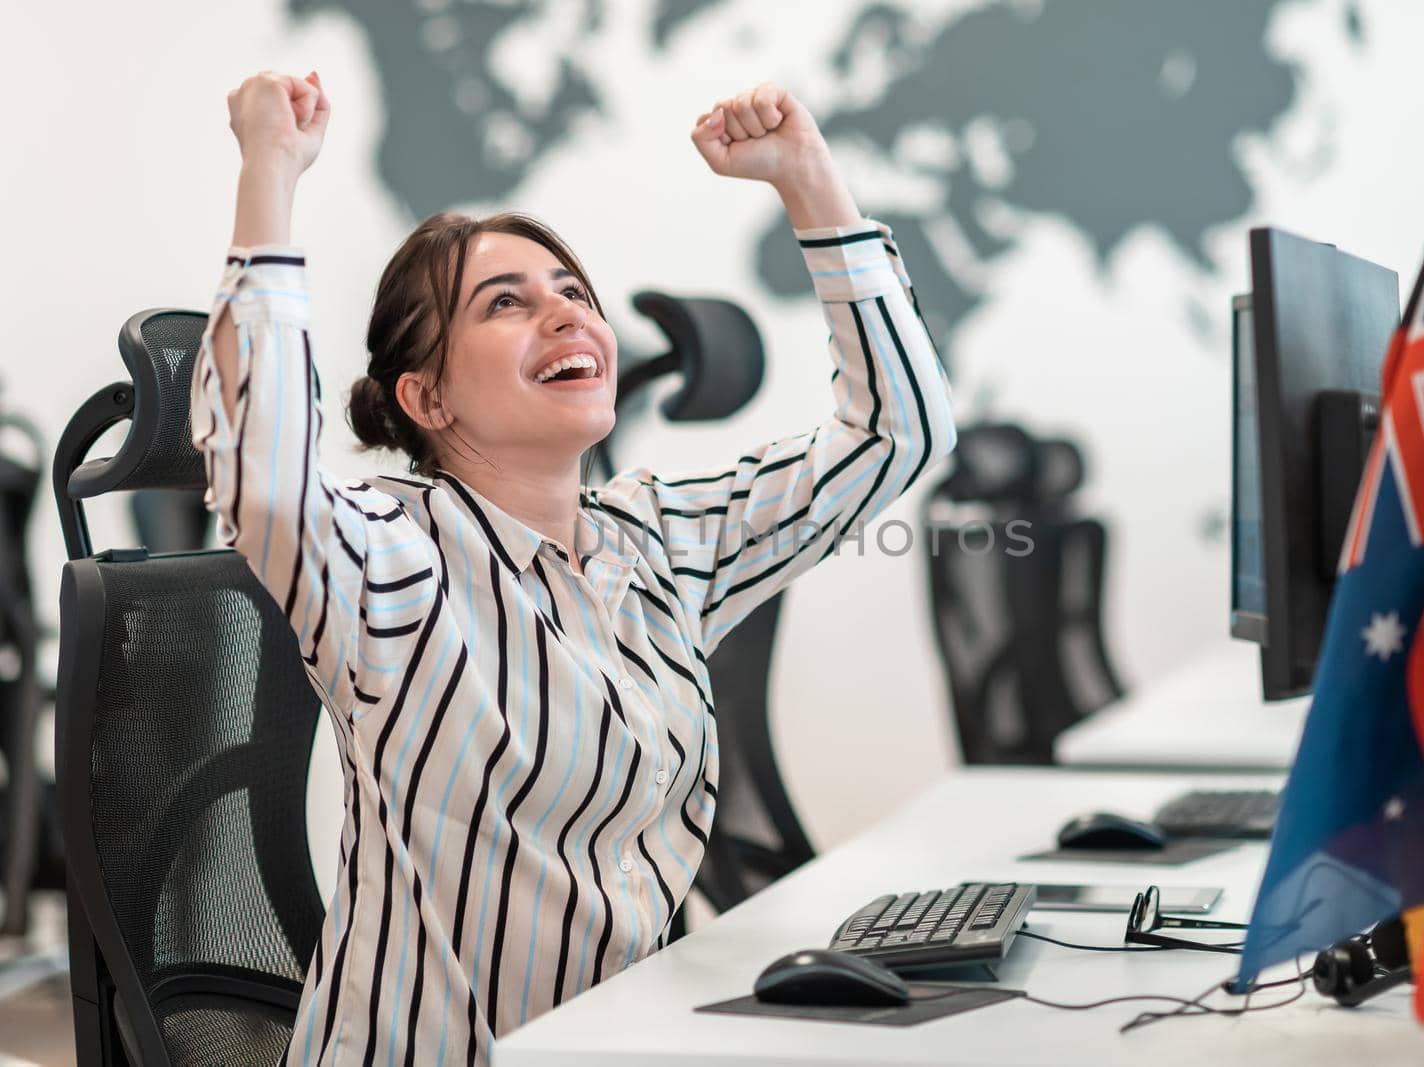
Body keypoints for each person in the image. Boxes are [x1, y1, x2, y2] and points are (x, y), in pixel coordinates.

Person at [194, 69, 955, 1064]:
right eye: (506, 303)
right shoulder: (389, 556)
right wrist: (271, 174)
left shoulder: (657, 542)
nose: (565, 317)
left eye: (572, 294)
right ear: (425, 397)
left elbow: (899, 437)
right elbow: (264, 476)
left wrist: (809, 180)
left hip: (629, 1043)